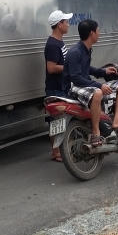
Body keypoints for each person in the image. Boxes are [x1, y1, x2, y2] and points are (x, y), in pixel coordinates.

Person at [63, 19, 118, 146]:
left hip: (84, 84)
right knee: (98, 93)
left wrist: (103, 72)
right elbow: (76, 78)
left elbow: (86, 68)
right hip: (73, 86)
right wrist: (100, 85)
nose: (99, 33)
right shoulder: (75, 52)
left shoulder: (86, 49)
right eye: (98, 31)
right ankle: (95, 133)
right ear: (91, 33)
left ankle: (117, 119)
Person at [44, 10, 73, 161]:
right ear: (59, 25)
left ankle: (59, 150)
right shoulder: (53, 45)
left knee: (61, 120)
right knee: (56, 121)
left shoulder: (59, 42)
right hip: (55, 88)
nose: (68, 24)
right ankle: (56, 152)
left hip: (62, 86)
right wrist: (69, 68)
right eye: (66, 22)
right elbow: (51, 68)